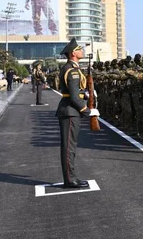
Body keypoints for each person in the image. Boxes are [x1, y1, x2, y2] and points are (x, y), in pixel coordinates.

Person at [56, 38, 99, 188]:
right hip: (70, 111)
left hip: (71, 111)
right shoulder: (72, 70)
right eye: (80, 49)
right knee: (69, 147)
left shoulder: (72, 68)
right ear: (73, 53)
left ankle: (71, 176)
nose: (82, 51)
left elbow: (77, 92)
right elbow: (73, 96)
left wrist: (86, 95)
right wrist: (87, 111)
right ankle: (69, 179)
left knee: (71, 146)